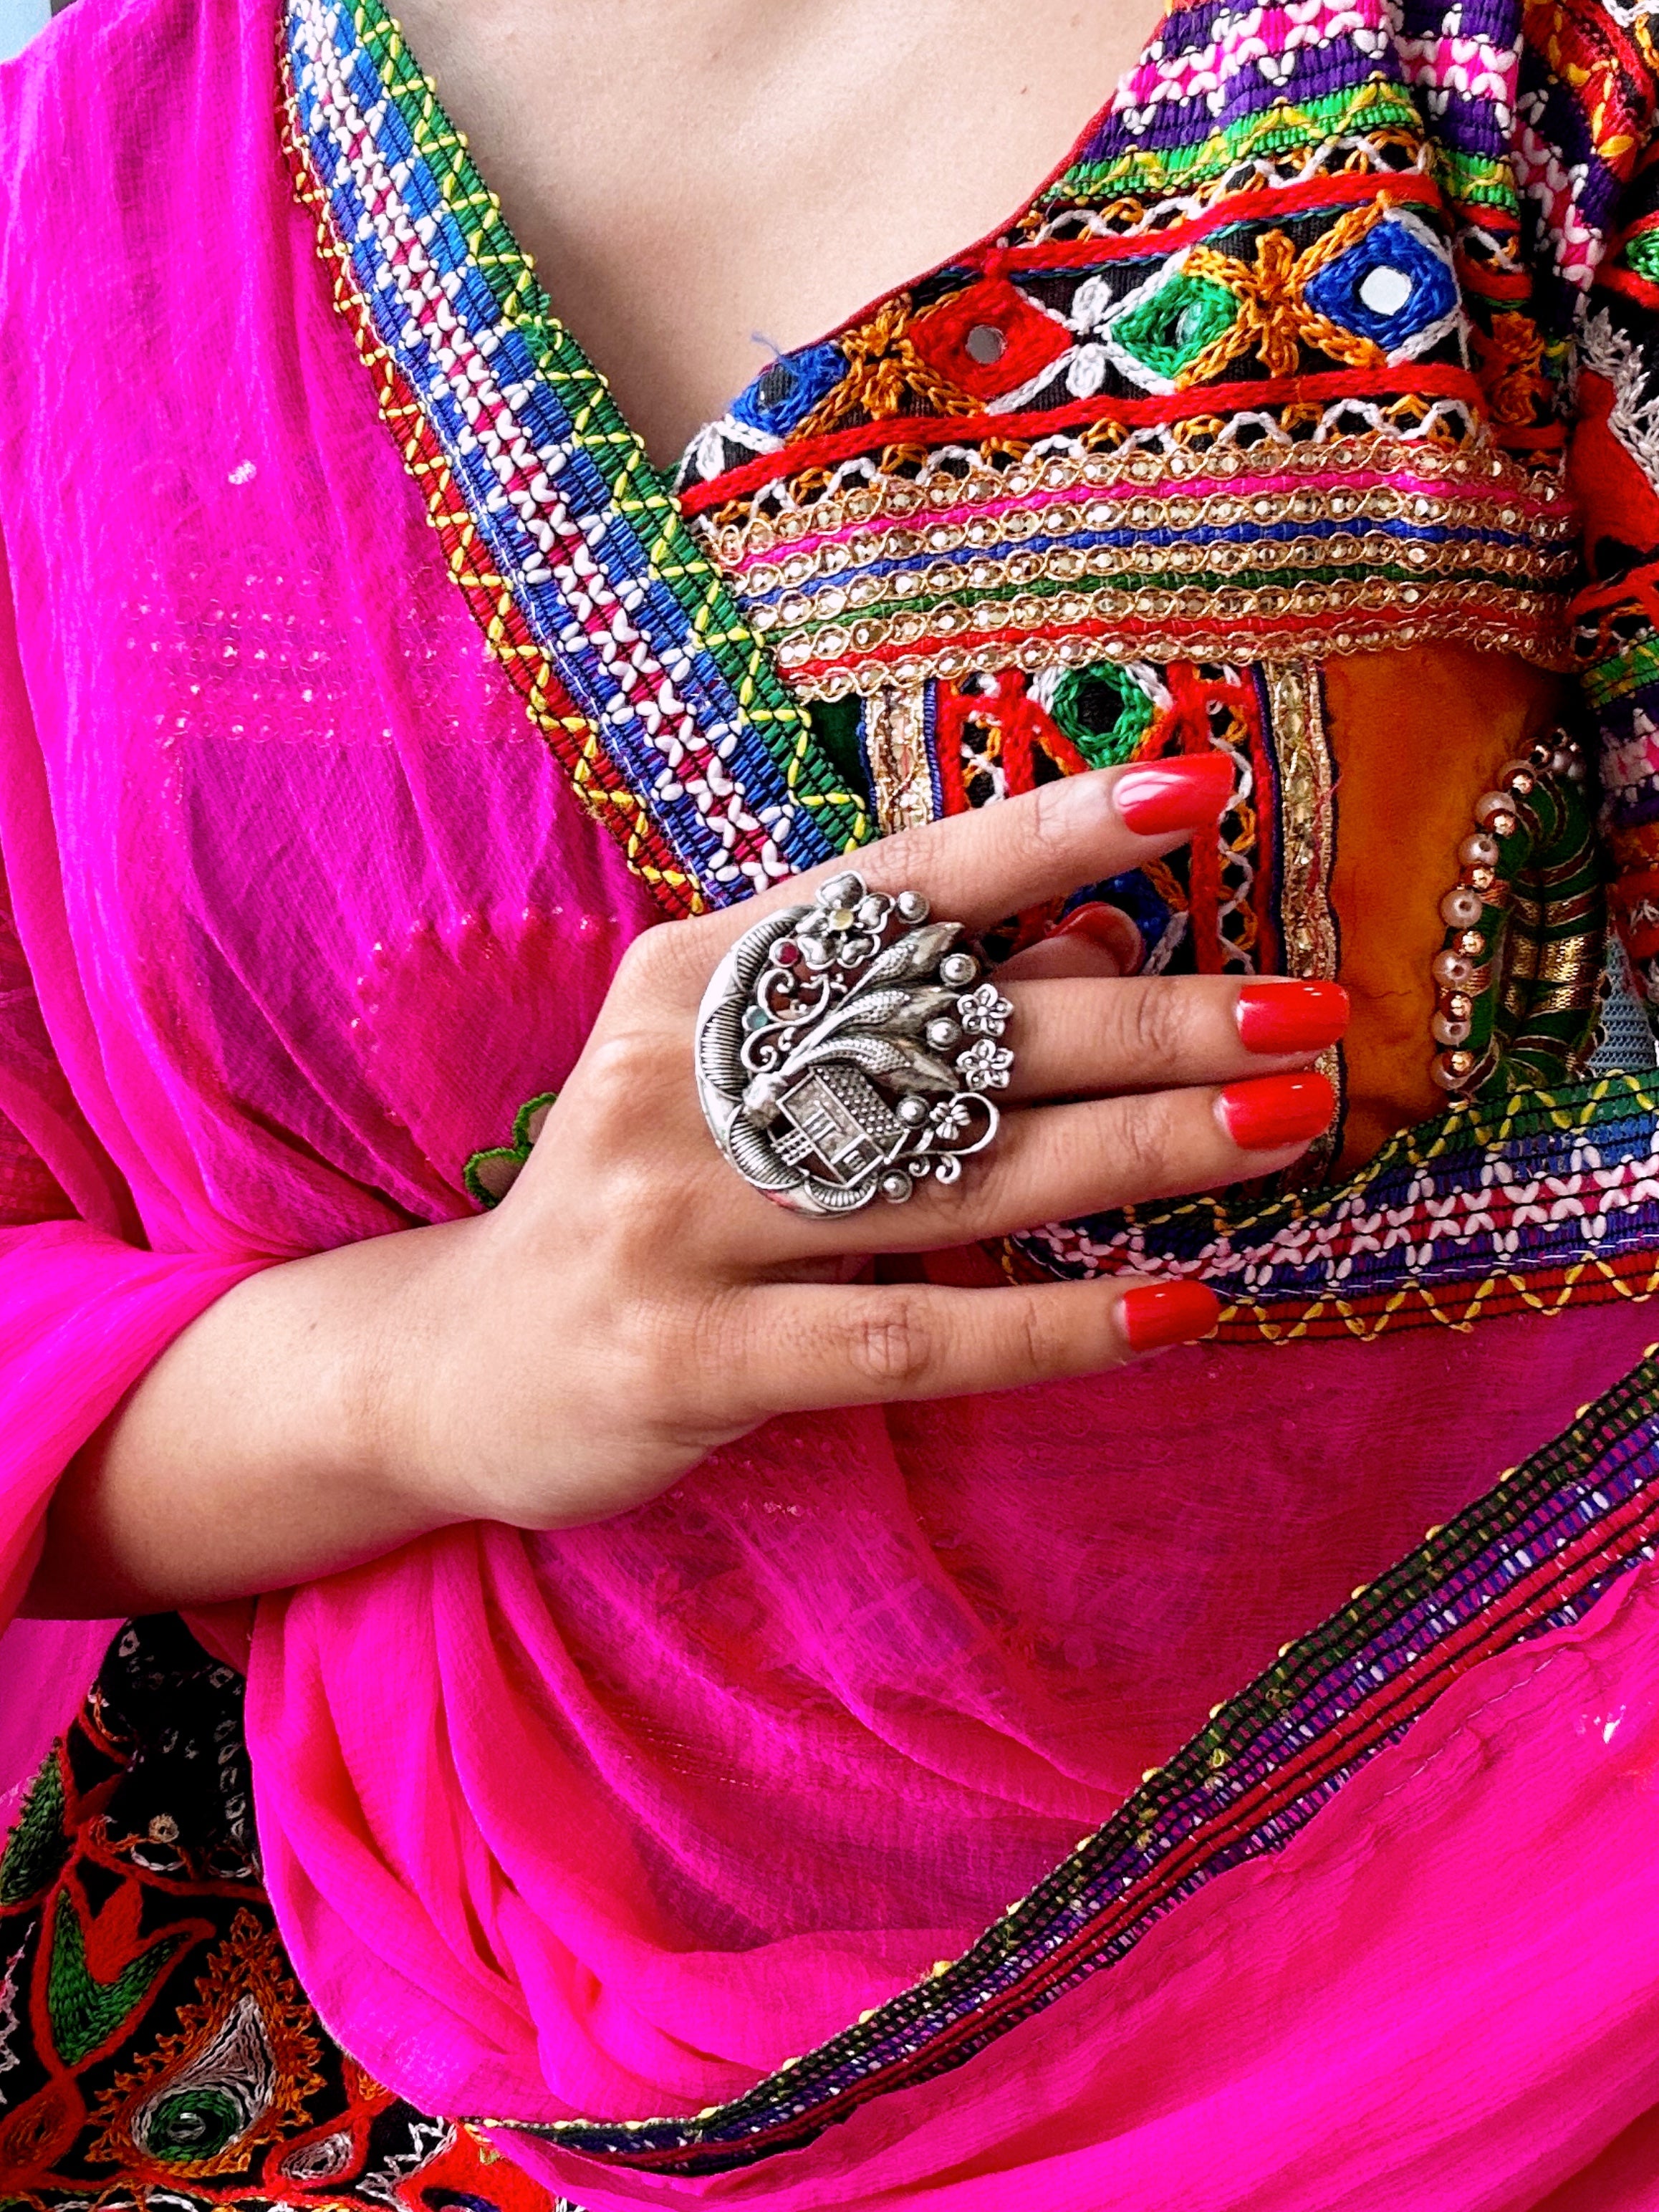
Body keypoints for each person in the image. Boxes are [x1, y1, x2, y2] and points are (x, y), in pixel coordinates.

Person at [4, 0, 1659, 2203]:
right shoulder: (81, 211)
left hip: (1528, 1973)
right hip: (430, 2026)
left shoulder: (1523, 71)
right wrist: (436, 1366)